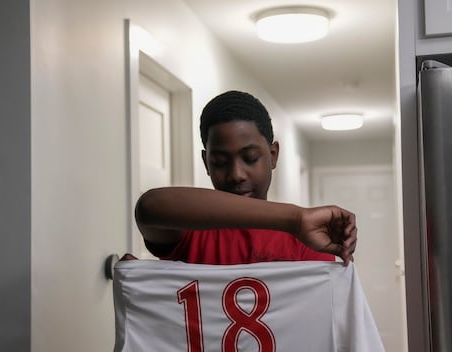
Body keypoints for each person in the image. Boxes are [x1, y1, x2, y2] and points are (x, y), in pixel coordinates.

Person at [134, 90, 357, 265]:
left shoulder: (306, 242)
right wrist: (296, 220)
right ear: (206, 163)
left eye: (250, 158)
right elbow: (149, 207)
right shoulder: (188, 235)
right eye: (220, 162)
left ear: (273, 156)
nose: (236, 175)